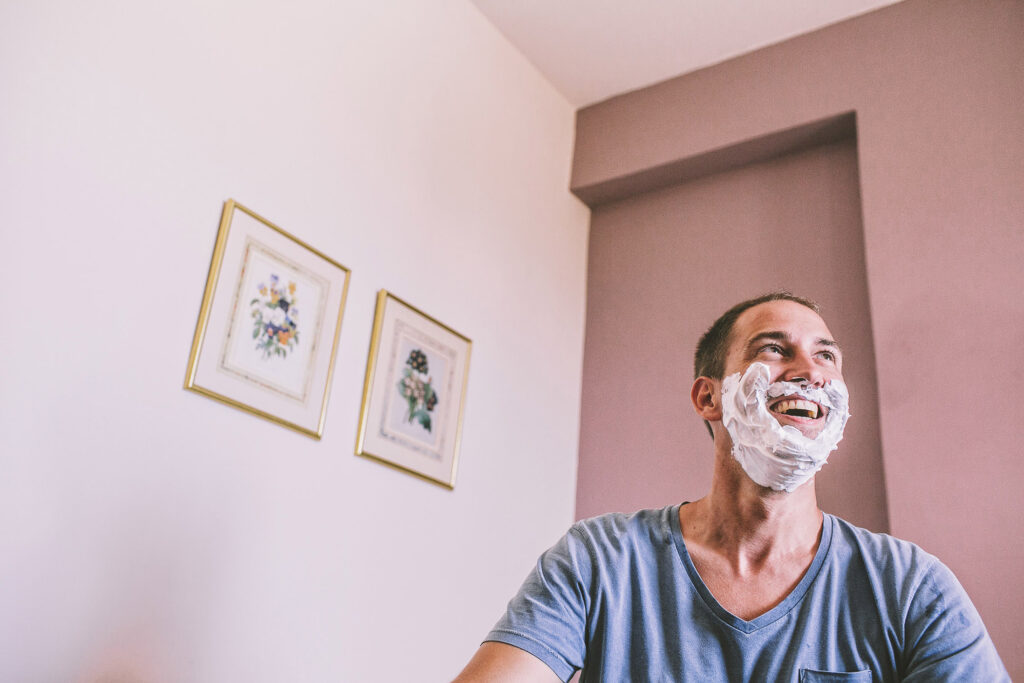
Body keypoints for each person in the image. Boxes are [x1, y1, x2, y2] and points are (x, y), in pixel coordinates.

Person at [453, 292, 1008, 682]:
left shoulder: (911, 588)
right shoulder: (600, 561)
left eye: (827, 355)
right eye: (774, 349)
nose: (810, 371)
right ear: (708, 397)